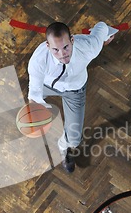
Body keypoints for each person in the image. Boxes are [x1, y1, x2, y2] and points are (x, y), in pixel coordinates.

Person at [28, 21, 115, 173]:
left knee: (74, 139)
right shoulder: (38, 61)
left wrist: (105, 35)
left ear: (72, 40)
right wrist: (35, 115)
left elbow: (101, 25)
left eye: (66, 47)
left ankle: (64, 147)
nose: (62, 54)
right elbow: (34, 95)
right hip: (46, 86)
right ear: (48, 46)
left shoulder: (89, 46)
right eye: (55, 49)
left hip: (75, 90)